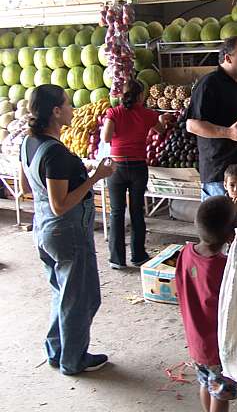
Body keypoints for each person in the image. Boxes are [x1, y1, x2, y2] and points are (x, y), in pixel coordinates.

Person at [19, 84, 115, 375]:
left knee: (62, 293)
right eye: (67, 104)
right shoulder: (56, 154)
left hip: (44, 229)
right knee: (82, 298)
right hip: (66, 232)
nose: (73, 109)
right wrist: (96, 177)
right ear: (56, 111)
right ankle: (73, 360)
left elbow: (25, 188)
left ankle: (56, 351)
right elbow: (61, 205)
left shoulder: (28, 143)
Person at [175, 196, 237, 412]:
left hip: (196, 343)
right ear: (231, 235)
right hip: (218, 348)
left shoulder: (185, 253)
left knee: (206, 383)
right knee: (221, 394)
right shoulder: (224, 266)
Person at [101, 79, 171, 269]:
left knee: (116, 212)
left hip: (116, 168)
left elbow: (106, 137)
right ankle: (138, 256)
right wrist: (161, 120)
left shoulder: (113, 113)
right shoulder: (149, 114)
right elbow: (161, 131)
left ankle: (117, 259)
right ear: (141, 95)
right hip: (138, 167)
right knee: (137, 212)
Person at [186, 37, 237, 205]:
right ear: (228, 58)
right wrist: (228, 132)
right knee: (221, 227)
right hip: (222, 178)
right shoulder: (209, 84)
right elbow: (191, 124)